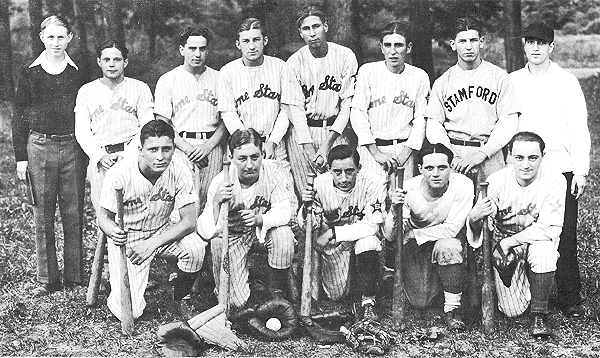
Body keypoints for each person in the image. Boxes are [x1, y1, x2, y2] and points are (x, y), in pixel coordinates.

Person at [509, 22, 590, 318]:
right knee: (523, 228)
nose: (535, 48)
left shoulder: (567, 81)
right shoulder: (513, 81)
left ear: (551, 47)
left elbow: (578, 128)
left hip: (559, 167)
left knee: (564, 234)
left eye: (542, 43)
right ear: (523, 44)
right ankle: (525, 293)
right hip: (524, 167)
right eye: (530, 42)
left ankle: (570, 297)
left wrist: (580, 170)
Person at [98, 120, 206, 320]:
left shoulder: (180, 170)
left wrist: (152, 244)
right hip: (129, 237)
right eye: (153, 149)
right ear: (140, 149)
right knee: (130, 312)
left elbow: (189, 221)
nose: (160, 156)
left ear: (174, 148)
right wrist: (113, 231)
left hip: (162, 230)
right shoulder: (120, 173)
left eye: (166, 149)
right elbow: (104, 218)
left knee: (196, 248)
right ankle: (115, 283)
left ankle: (180, 298)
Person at [12, 15, 87, 296]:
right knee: (42, 213)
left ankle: (74, 276)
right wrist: (21, 156)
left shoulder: (78, 72)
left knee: (73, 211)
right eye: (50, 37)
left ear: (70, 38)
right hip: (39, 146)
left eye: (61, 37)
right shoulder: (29, 73)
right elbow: (18, 117)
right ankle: (48, 279)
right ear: (42, 38)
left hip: (72, 148)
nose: (56, 43)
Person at [467, 131, 566, 338]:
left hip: (536, 240)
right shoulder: (495, 181)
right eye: (519, 158)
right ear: (509, 156)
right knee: (512, 311)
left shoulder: (555, 180)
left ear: (543, 156)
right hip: (503, 245)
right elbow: (484, 228)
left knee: (544, 254)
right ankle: (533, 282)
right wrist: (475, 217)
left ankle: (540, 314)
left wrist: (512, 241)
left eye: (533, 158)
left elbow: (549, 227)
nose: (526, 165)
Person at [197, 128, 295, 309]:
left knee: (284, 235)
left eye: (255, 157)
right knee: (235, 303)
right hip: (234, 236)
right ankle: (224, 274)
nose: (249, 165)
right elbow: (204, 231)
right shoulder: (222, 181)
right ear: (231, 156)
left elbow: (285, 211)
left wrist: (260, 219)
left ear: (262, 152)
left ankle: (276, 290)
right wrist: (217, 203)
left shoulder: (273, 171)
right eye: (242, 159)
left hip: (262, 232)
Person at [383, 144, 474, 330]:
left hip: (441, 241)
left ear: (451, 167)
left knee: (449, 247)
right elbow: (390, 236)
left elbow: (451, 229)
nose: (436, 174)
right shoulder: (408, 189)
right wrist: (393, 211)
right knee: (420, 302)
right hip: (416, 248)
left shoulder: (463, 185)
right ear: (420, 169)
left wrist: (414, 233)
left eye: (442, 168)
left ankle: (452, 308)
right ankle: (441, 284)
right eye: (429, 168)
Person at [426, 16, 520, 181]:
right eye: (462, 41)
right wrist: (450, 155)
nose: (468, 47)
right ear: (453, 44)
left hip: (489, 152)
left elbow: (508, 121)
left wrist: (483, 153)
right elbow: (434, 125)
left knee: (492, 203)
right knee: (458, 205)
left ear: (481, 42)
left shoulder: (499, 77)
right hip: (455, 154)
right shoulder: (443, 82)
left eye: (473, 40)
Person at [299, 145, 386, 320]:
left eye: (349, 171)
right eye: (337, 172)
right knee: (336, 295)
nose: (344, 178)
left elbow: (371, 226)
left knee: (368, 241)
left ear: (358, 169)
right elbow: (310, 225)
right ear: (329, 170)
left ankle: (368, 301)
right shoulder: (319, 184)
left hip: (358, 235)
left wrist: (333, 232)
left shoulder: (373, 182)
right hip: (334, 246)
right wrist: (305, 207)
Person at [218, 17, 316, 170]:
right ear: (238, 44)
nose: (252, 46)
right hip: (242, 148)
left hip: (275, 145)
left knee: (282, 190)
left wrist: (272, 142)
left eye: (256, 40)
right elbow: (228, 114)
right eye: (246, 41)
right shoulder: (227, 72)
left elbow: (286, 109)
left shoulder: (280, 67)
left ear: (265, 40)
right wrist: (247, 143)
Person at [286, 5, 359, 195]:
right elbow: (295, 110)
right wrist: (310, 150)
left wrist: (327, 146)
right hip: (304, 135)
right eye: (306, 29)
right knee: (307, 193)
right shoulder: (294, 62)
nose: (312, 33)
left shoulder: (345, 56)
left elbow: (346, 107)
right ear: (300, 33)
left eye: (316, 26)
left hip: (336, 132)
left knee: (338, 191)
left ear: (325, 26)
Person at [75, 40, 154, 212]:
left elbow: (147, 126)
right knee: (104, 211)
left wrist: (127, 155)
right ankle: (103, 240)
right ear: (99, 62)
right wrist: (99, 157)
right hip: (101, 159)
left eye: (117, 60)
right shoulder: (86, 91)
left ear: (125, 62)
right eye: (107, 60)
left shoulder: (140, 88)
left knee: (135, 208)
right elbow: (81, 130)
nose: (111, 64)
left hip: (132, 156)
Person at [154, 26, 227, 211]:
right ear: (182, 50)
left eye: (202, 49)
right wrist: (188, 149)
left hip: (212, 146)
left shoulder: (220, 78)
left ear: (207, 50)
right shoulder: (168, 80)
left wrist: (207, 147)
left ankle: (208, 241)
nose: (197, 54)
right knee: (182, 203)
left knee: (210, 202)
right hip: (180, 146)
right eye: (192, 48)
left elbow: (226, 119)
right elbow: (163, 123)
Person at [351, 21, 430, 183]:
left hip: (404, 149)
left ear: (408, 48)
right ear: (381, 48)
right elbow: (358, 114)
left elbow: (421, 120)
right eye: (388, 45)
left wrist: (404, 155)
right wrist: (376, 153)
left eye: (399, 45)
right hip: (371, 149)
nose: (393, 51)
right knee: (373, 202)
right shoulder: (368, 71)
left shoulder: (419, 76)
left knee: (401, 201)